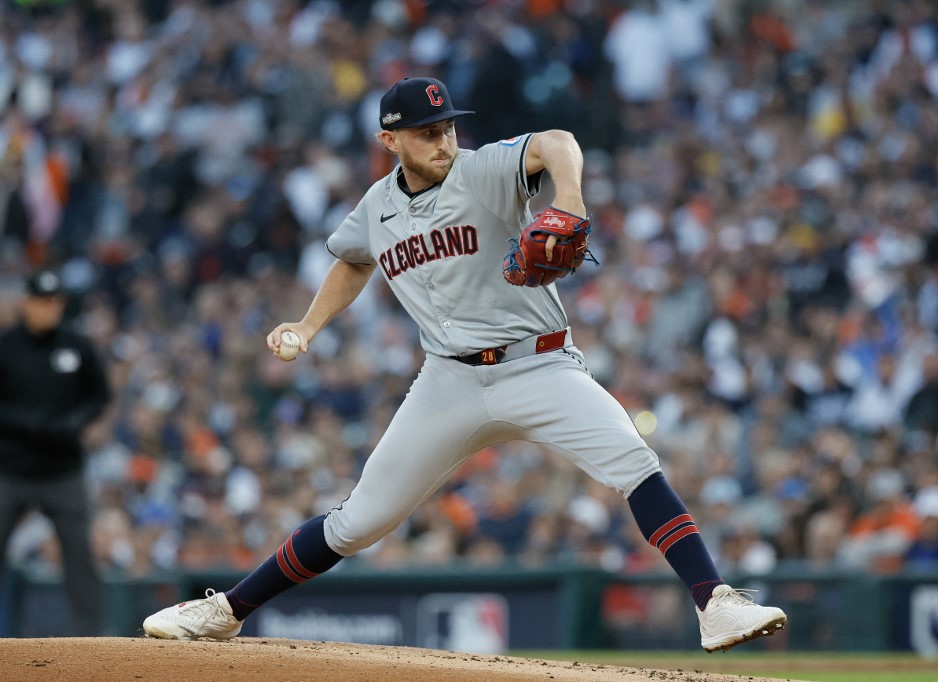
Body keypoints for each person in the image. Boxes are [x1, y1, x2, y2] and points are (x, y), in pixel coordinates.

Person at [142, 77, 787, 652]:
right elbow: (354, 258)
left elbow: (557, 140)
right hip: (448, 379)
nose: (443, 140)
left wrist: (572, 202)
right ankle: (228, 610)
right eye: (426, 132)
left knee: (634, 461)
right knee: (358, 521)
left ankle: (714, 603)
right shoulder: (378, 206)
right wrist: (310, 326)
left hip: (540, 366)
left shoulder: (481, 172)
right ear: (389, 139)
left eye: (448, 125)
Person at [0, 269, 111, 635]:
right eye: (41, 301)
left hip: (63, 470)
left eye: (54, 302)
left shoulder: (76, 346)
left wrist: (75, 419)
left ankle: (89, 640)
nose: (48, 309)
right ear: (25, 303)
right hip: (10, 469)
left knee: (80, 559)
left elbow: (100, 394)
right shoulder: (6, 346)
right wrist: (29, 422)